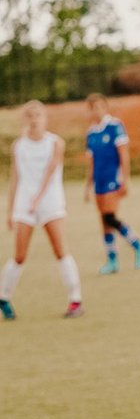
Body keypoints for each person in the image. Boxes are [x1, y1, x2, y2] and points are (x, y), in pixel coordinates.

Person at [2, 101, 83, 320]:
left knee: (60, 250)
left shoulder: (55, 142)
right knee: (19, 256)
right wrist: (10, 211)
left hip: (50, 203)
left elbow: (50, 171)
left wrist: (38, 199)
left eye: (37, 115)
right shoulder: (19, 146)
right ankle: (4, 297)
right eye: (29, 115)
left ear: (45, 118)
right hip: (24, 204)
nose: (34, 119)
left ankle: (75, 299)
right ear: (24, 120)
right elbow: (15, 178)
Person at [84, 93, 140, 275]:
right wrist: (87, 185)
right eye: (92, 108)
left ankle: (138, 246)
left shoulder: (114, 126)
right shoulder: (92, 132)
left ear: (105, 107)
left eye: (99, 106)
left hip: (113, 177)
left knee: (110, 217)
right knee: (104, 222)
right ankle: (112, 260)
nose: (96, 111)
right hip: (99, 180)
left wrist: (125, 179)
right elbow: (92, 162)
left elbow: (124, 154)